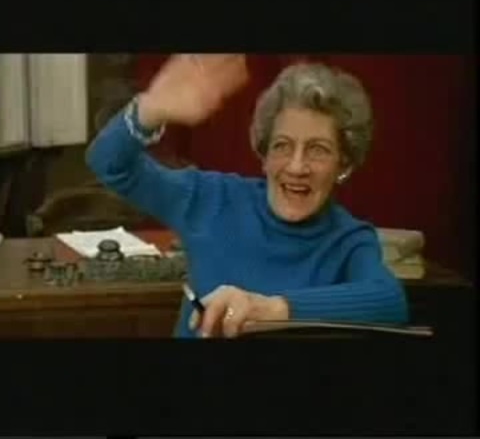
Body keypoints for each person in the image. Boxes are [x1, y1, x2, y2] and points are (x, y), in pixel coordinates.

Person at [86, 54, 409, 339]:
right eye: (282, 146)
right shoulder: (212, 199)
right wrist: (150, 109)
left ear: (344, 164)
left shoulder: (348, 239)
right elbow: (109, 163)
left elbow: (389, 301)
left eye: (318, 150)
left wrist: (271, 308)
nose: (297, 167)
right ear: (264, 156)